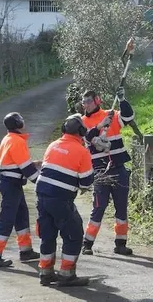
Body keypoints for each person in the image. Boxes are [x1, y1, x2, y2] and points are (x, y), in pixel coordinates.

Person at [34, 114, 94, 287]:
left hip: (42, 195)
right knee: (74, 234)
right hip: (60, 199)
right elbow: (86, 182)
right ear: (81, 131)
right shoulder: (82, 151)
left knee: (47, 234)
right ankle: (67, 275)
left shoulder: (53, 145)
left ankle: (45, 273)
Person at [80, 85, 136, 256]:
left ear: (97, 101)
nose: (86, 105)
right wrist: (99, 126)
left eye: (89, 101)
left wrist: (122, 100)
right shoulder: (82, 122)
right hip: (99, 171)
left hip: (118, 169)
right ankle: (87, 243)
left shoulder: (111, 115)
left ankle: (121, 244)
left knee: (121, 208)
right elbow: (86, 138)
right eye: (84, 102)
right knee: (99, 207)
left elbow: (128, 117)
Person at [0, 112, 41, 268]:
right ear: (18, 124)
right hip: (11, 185)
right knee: (6, 219)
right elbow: (26, 169)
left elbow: (15, 163)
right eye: (21, 120)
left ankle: (26, 251)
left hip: (11, 184)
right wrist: (42, 182)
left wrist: (34, 164)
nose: (24, 122)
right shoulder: (17, 141)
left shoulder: (9, 138)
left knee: (21, 216)